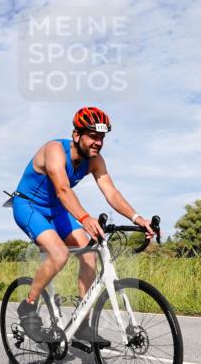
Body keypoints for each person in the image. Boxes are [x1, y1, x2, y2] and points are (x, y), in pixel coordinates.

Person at [9, 107, 154, 346]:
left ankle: (82, 324)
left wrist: (137, 218)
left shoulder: (95, 161)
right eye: (93, 136)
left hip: (57, 209)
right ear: (76, 135)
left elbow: (111, 192)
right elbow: (62, 189)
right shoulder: (55, 150)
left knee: (89, 255)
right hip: (29, 206)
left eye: (102, 137)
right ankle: (28, 306)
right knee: (59, 253)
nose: (98, 142)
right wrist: (85, 218)